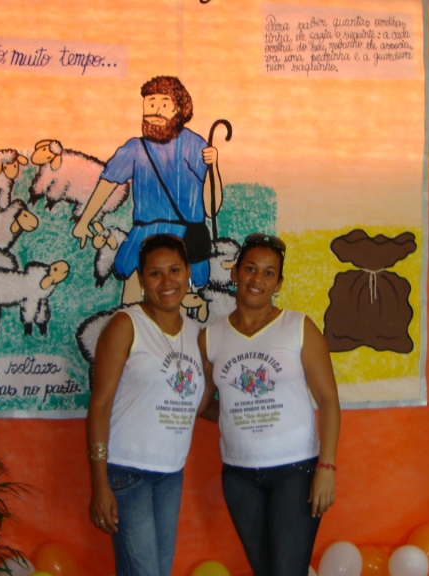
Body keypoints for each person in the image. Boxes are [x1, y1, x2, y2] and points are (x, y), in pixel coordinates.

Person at [198, 233, 341, 576]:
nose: (257, 279)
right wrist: (234, 413)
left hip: (296, 472)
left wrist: (326, 468)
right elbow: (200, 403)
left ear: (278, 283)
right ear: (235, 273)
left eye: (268, 272)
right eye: (250, 268)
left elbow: (328, 401)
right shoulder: (211, 336)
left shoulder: (299, 327)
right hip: (239, 476)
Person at [86, 234, 206, 576]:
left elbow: (195, 402)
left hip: (171, 473)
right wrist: (99, 484)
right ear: (141, 279)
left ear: (188, 272)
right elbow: (100, 405)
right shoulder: (126, 325)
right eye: (155, 273)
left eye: (174, 271)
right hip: (128, 472)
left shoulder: (196, 333)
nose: (167, 281)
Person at [72, 75, 223, 304]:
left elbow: (212, 207)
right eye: (151, 103)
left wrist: (214, 167)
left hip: (185, 238)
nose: (155, 110)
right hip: (144, 235)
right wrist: (84, 221)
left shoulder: (194, 145)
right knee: (132, 303)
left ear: (178, 109)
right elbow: (108, 183)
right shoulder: (135, 148)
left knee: (181, 307)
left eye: (164, 104)